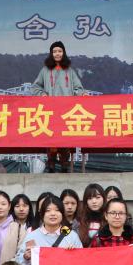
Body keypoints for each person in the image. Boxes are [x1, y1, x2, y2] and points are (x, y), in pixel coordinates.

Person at [31, 40, 86, 172]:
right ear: (51, 54)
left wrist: (81, 94)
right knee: (52, 137)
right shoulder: (45, 70)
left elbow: (78, 88)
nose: (57, 54)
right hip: (50, 110)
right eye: (54, 51)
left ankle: (64, 163)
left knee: (65, 137)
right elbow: (35, 87)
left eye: (59, 51)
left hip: (67, 110)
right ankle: (51, 163)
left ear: (63, 53)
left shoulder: (70, 71)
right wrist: (43, 94)